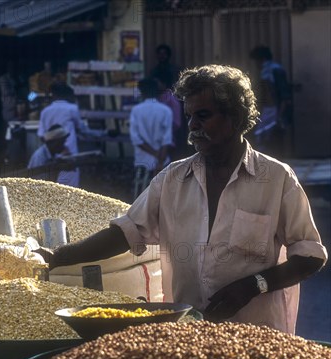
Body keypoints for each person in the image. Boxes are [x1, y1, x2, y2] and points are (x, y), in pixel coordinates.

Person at [36, 65, 327, 334]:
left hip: (258, 333)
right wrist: (59, 257)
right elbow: (124, 233)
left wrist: (254, 285)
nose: (191, 126)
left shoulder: (277, 178)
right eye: (189, 116)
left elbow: (310, 256)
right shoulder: (172, 179)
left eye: (203, 116)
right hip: (189, 333)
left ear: (236, 118)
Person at [37, 82, 104, 187]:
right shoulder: (72, 108)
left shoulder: (46, 111)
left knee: (50, 189)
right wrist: (103, 133)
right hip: (68, 157)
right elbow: (83, 130)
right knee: (68, 190)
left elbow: (42, 136)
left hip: (52, 158)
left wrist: (51, 152)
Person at [129, 78, 174, 199]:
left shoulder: (136, 111)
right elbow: (167, 138)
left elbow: (136, 139)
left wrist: (154, 153)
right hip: (162, 162)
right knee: (161, 199)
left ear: (141, 92)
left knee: (139, 199)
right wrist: (159, 159)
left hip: (142, 161)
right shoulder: (165, 111)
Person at [249, 45, 292, 158]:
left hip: (274, 109)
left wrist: (280, 114)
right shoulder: (268, 70)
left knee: (268, 138)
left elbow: (282, 93)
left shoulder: (274, 70)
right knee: (262, 136)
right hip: (268, 109)